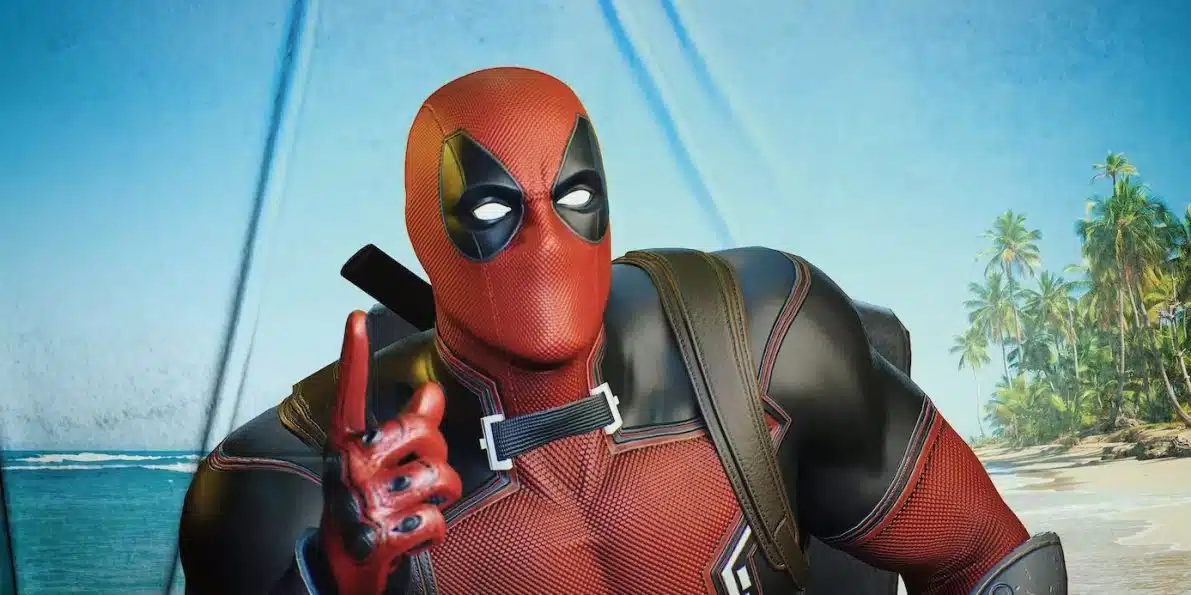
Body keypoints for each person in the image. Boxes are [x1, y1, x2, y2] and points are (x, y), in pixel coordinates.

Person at [179, 67, 1067, 595]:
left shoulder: (760, 341)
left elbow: (993, 564)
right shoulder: (280, 488)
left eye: (574, 196)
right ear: (423, 229)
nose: (544, 241)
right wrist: (319, 580)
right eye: (490, 209)